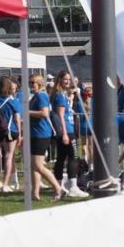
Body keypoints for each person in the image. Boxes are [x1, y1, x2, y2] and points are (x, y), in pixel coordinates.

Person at [27, 74, 64, 201]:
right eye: (30, 82)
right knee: (34, 165)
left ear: (39, 83)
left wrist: (27, 112)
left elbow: (44, 113)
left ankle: (58, 188)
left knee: (38, 166)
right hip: (35, 133)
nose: (31, 85)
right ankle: (35, 193)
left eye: (33, 83)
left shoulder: (41, 96)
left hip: (41, 134)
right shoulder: (36, 96)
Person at [52, 70, 88, 198]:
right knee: (72, 157)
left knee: (61, 158)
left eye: (69, 79)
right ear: (60, 80)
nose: (67, 81)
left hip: (65, 130)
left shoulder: (62, 95)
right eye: (65, 79)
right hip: (67, 130)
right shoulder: (60, 96)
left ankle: (59, 186)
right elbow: (60, 115)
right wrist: (65, 133)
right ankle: (73, 187)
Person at [0, 76, 21, 193]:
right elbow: (17, 118)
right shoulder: (12, 101)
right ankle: (5, 185)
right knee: (9, 157)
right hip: (10, 131)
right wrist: (20, 134)